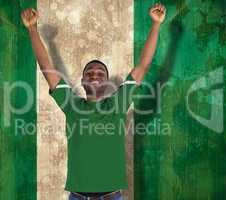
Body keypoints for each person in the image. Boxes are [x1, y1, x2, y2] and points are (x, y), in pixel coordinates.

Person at [21, 3, 166, 200]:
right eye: (89, 73)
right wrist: (32, 29)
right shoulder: (72, 105)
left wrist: (155, 25)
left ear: (106, 81)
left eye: (100, 73)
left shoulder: (117, 104)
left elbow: (143, 66)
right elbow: (46, 67)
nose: (94, 76)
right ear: (82, 81)